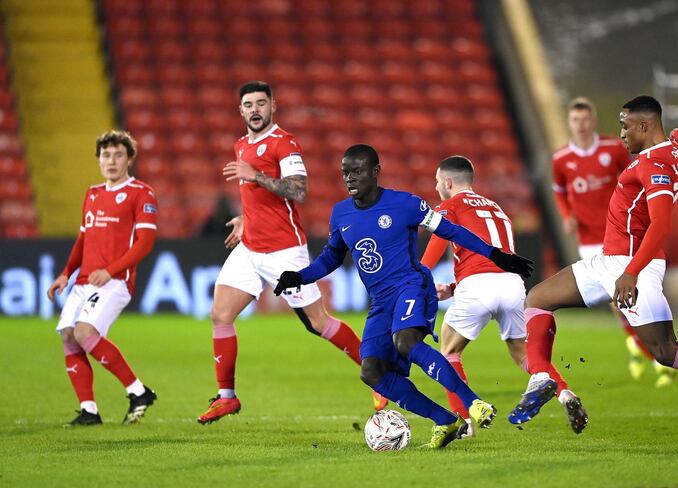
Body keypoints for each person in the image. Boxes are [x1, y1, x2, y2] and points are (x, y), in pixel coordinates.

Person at [516, 96, 678, 443]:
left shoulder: (653, 164)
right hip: (606, 259)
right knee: (536, 298)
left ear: (644, 126)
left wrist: (630, 273)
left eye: (626, 125)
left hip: (631, 265)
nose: (621, 133)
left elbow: (660, 224)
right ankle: (540, 376)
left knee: (666, 351)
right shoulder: (676, 150)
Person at [274, 144, 534, 448]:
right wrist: (300, 276)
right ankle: (446, 420)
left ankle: (472, 403)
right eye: (345, 172)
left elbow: (450, 231)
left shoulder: (405, 204)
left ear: (375, 172)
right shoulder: (341, 213)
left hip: (412, 285)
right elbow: (331, 258)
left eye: (356, 171)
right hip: (381, 301)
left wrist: (495, 254)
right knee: (371, 372)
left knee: (406, 342)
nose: (349, 178)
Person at [197, 81, 385, 424]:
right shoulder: (240, 145)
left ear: (273, 106)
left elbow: (298, 191)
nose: (255, 110)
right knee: (220, 315)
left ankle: (378, 376)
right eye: (248, 105)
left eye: (260, 103)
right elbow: (259, 197)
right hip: (250, 247)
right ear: (240, 110)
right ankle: (227, 397)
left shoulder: (285, 144)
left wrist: (255, 176)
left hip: (284, 251)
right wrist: (245, 217)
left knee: (318, 322)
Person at [420, 155, 588, 434]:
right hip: (511, 285)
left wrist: (420, 278)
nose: (437, 187)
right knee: (523, 353)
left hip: (478, 286)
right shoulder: (496, 208)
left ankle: (463, 423)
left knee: (449, 350)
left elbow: (439, 242)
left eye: (438, 182)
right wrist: (452, 287)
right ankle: (566, 395)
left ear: (448, 182)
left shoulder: (450, 206)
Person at [553, 96, 676, 386]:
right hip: (590, 238)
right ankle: (644, 347)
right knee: (618, 300)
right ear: (569, 123)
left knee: (623, 299)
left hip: (623, 234)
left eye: (585, 119)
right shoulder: (561, 159)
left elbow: (638, 178)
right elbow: (559, 190)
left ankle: (647, 348)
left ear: (593, 121)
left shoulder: (614, 148)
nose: (580, 125)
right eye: (575, 120)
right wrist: (566, 214)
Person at [47, 130, 158, 426]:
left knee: (85, 332)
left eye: (118, 154)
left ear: (129, 159)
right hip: (84, 281)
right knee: (69, 337)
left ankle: (138, 391)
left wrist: (110, 270)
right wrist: (65, 274)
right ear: (98, 160)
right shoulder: (93, 194)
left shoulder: (141, 193)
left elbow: (145, 243)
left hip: (116, 281)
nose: (111, 160)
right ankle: (89, 411)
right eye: (106, 155)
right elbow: (83, 240)